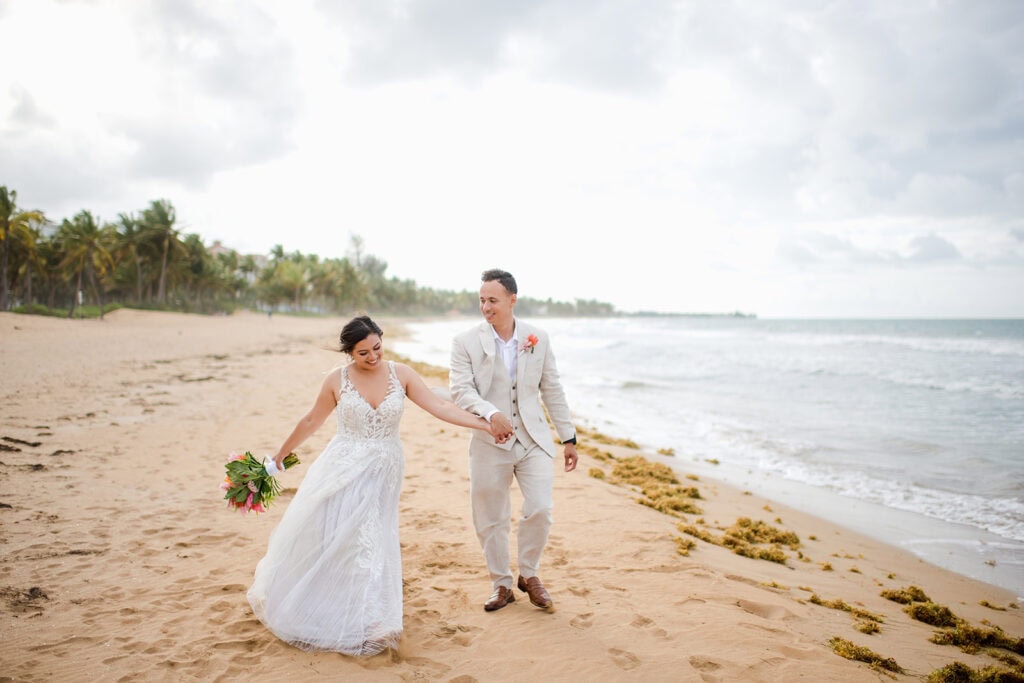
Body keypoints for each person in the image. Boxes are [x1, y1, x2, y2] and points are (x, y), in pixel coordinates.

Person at [247, 315, 505, 655]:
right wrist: (280, 455)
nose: (373, 357)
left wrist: (484, 425)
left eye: (377, 348)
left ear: (383, 340)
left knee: (373, 535)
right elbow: (312, 419)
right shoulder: (335, 380)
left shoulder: (403, 374)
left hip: (384, 468)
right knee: (336, 531)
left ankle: (373, 618)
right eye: (363, 353)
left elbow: (439, 406)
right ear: (349, 353)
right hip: (340, 465)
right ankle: (327, 601)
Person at [449, 269, 578, 613]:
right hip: (489, 442)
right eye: (481, 300)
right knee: (491, 515)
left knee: (541, 508)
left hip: (533, 437)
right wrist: (491, 414)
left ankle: (529, 574)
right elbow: (461, 390)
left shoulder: (538, 337)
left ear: (511, 300)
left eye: (492, 300)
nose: (485, 307)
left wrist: (568, 436)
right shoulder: (465, 342)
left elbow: (551, 387)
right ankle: (501, 584)